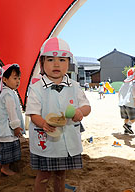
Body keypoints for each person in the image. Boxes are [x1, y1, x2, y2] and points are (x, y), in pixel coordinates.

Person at [26, 37, 91, 192]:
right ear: (42, 63)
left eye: (62, 60)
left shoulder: (74, 86)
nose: (56, 64)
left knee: (61, 174)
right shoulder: (36, 88)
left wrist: (80, 112)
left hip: (67, 139)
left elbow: (87, 106)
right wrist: (43, 123)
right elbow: (33, 114)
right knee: (43, 175)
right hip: (47, 139)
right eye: (50, 59)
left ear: (68, 63)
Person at [0, 63, 25, 176]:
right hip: (6, 128)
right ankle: (5, 167)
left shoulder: (11, 92)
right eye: (14, 78)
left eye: (19, 78)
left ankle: (3, 163)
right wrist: (16, 127)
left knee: (8, 148)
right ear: (5, 80)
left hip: (7, 128)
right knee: (7, 148)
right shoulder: (7, 94)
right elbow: (11, 112)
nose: (17, 81)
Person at [118, 68, 135, 135]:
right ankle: (128, 125)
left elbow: (119, 93)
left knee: (126, 117)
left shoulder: (124, 83)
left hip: (122, 103)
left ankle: (126, 130)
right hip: (130, 103)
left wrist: (120, 100)